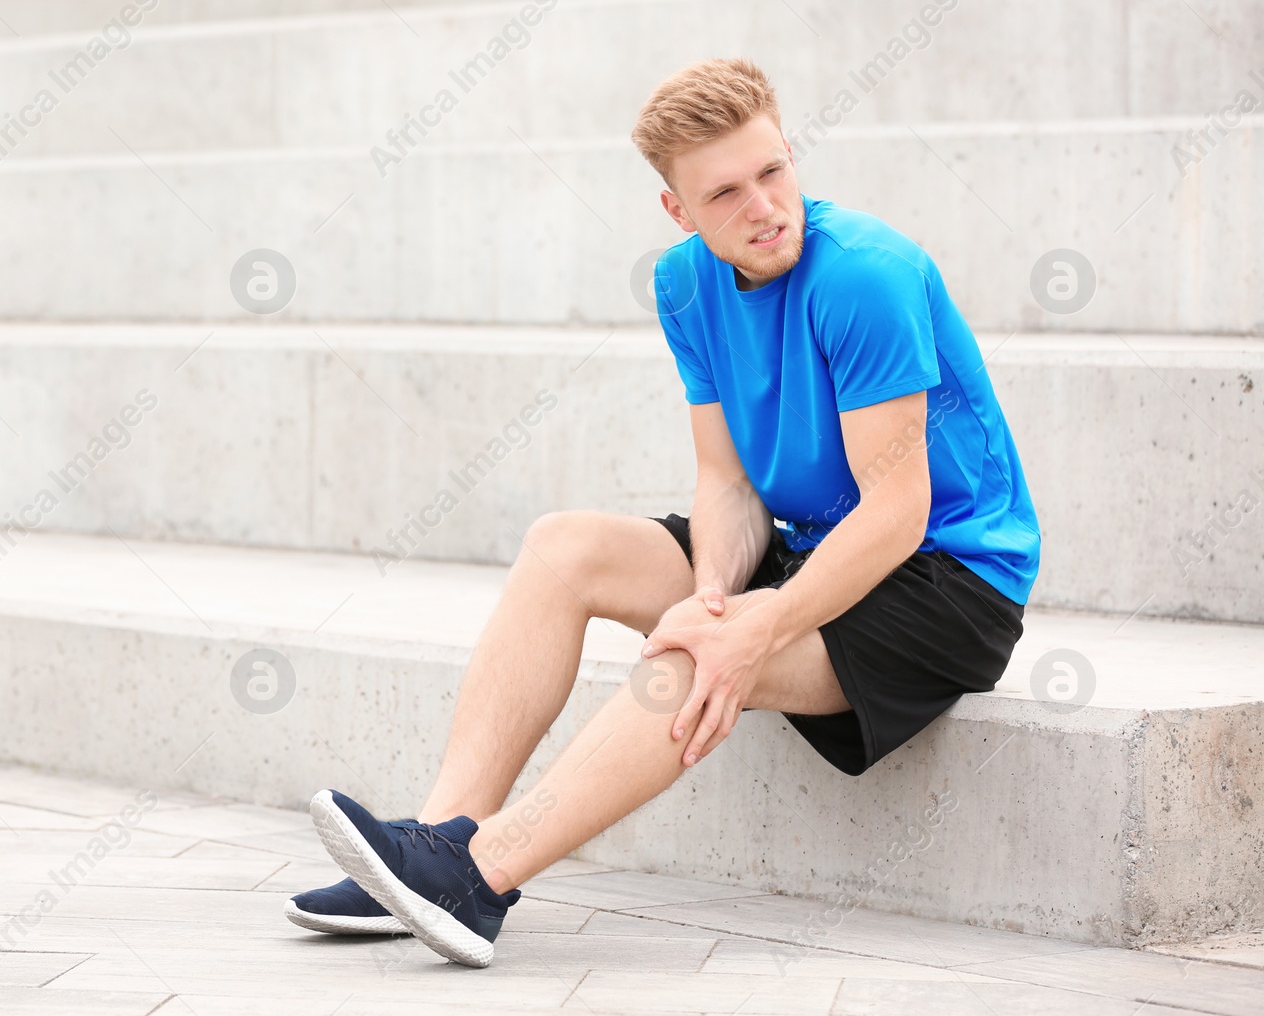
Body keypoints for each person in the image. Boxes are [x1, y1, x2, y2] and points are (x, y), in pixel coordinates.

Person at [285, 57, 1040, 967]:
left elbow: (897, 511)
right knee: (564, 547)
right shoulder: (686, 284)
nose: (763, 206)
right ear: (679, 213)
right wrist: (717, 591)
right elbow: (726, 483)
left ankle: (477, 878)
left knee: (702, 651)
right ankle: (440, 836)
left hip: (945, 583)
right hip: (807, 546)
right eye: (725, 193)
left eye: (773, 172)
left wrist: (741, 631)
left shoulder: (866, 275)